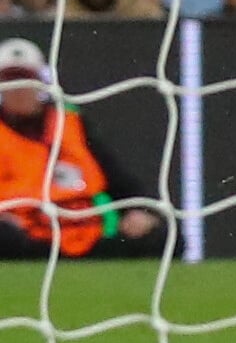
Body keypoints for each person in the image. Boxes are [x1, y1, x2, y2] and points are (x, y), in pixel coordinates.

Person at [0, 39, 147, 257]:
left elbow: (116, 176)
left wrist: (138, 210)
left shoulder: (71, 122)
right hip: (24, 234)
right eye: (11, 81)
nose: (20, 89)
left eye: (26, 79)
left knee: (159, 234)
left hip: (85, 231)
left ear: (41, 81)